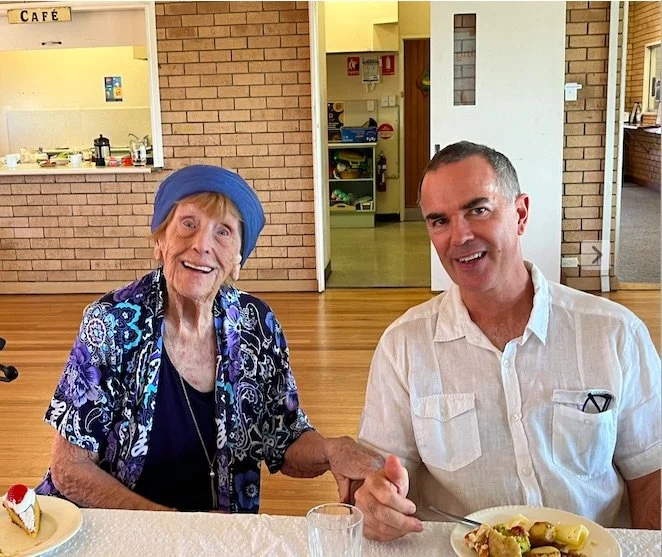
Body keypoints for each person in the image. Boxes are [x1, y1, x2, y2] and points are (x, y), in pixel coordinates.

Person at [354, 141, 661, 540]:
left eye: (477, 210)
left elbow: (651, 470)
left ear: (520, 214)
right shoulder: (404, 346)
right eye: (439, 221)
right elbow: (382, 473)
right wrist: (377, 499)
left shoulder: (615, 333)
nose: (459, 236)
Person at [36, 164, 381, 512]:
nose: (201, 244)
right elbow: (69, 469)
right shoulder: (111, 324)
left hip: (216, 534)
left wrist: (330, 450)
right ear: (159, 239)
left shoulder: (255, 325)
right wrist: (169, 526)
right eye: (188, 224)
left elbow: (284, 438)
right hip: (118, 525)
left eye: (223, 232)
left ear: (237, 260)